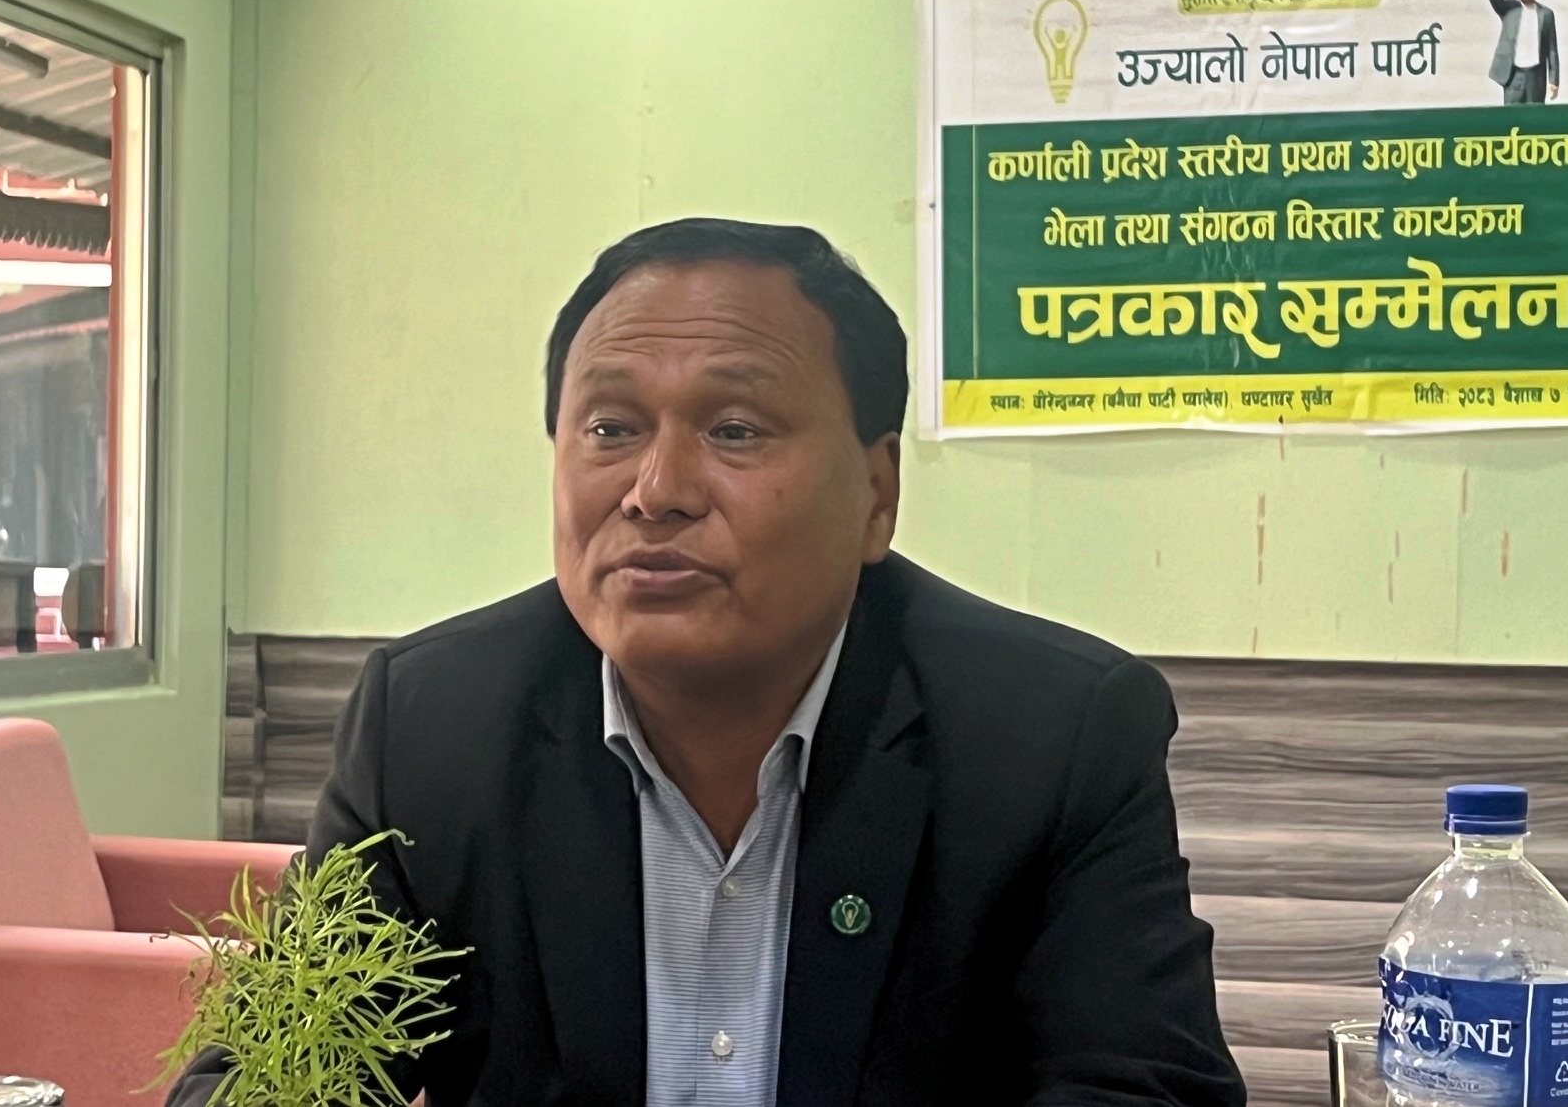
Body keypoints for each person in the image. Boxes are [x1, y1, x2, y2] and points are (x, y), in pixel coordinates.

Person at [166, 218, 1245, 1107]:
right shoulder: (431, 725)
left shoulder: (1051, 734)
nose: (657, 491)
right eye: (610, 429)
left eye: (734, 430)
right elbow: (265, 1078)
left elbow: (1144, 1089)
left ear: (876, 493)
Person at [1488, 0, 1560, 104]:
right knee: (1512, 114)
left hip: (1536, 76)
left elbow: (1552, 49)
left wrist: (1554, 79)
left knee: (1534, 114)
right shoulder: (1509, 9)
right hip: (1514, 76)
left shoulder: (1546, 14)